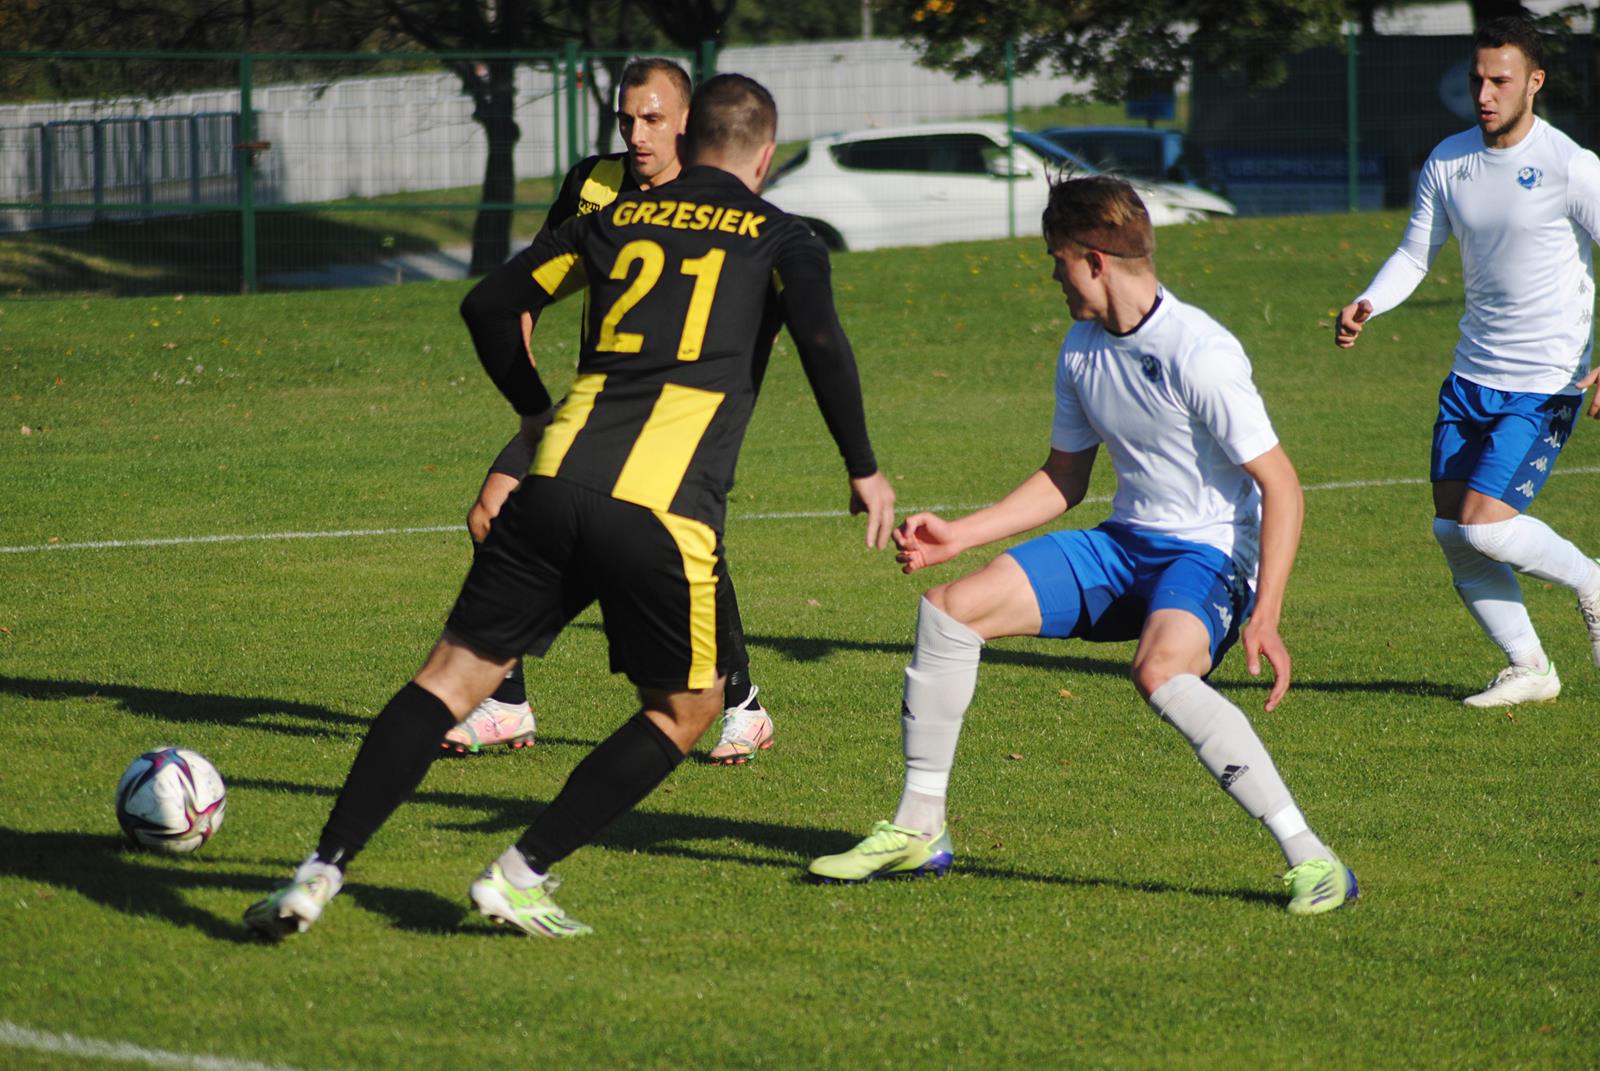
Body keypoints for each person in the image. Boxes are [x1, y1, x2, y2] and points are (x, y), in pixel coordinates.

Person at [246, 73, 896, 940]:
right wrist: (864, 467)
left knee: (447, 681)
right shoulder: (783, 235)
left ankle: (317, 871)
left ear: (689, 136)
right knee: (687, 708)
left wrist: (529, 406)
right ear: (763, 157)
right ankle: (519, 872)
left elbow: (489, 303)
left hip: (552, 484)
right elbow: (819, 335)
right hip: (663, 510)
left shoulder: (614, 217)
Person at [807, 175, 1357, 917]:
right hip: (1123, 544)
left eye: (1056, 258)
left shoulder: (1200, 351)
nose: (1052, 275)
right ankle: (918, 827)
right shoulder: (1081, 347)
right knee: (949, 611)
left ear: (1094, 260)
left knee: (1159, 670)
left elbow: (1281, 485)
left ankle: (1312, 857)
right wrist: (957, 536)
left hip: (1208, 558)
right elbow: (1065, 476)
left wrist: (1266, 612)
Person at [446, 57, 778, 764]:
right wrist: (529, 405)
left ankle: (742, 702)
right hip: (599, 400)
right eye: (627, 119)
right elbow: (525, 291)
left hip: (681, 405)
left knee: (679, 538)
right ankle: (506, 703)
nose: (636, 134)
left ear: (687, 122)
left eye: (652, 119)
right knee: (490, 515)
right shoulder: (593, 183)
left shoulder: (710, 193)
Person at [1336, 16, 1600, 708]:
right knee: (1453, 530)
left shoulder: (1573, 165)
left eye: (1500, 80)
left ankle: (1592, 580)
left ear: (1534, 83)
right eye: (1478, 79)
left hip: (1543, 382)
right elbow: (1415, 252)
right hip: (1470, 377)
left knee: (1487, 523)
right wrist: (1369, 302)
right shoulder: (1449, 160)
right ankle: (1531, 667)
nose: (1483, 93)